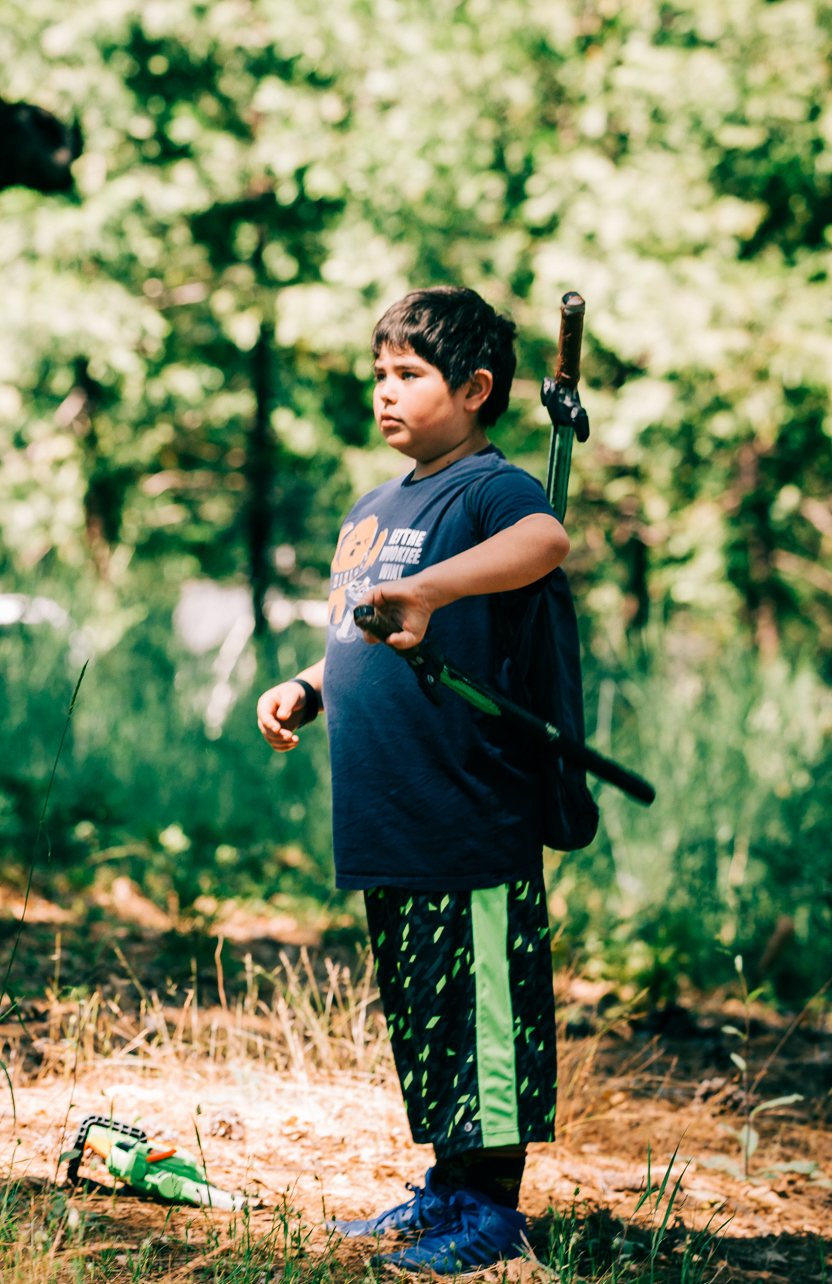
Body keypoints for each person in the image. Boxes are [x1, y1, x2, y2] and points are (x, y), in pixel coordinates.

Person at [255, 287, 569, 1272]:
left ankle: (491, 1210)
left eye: (408, 375)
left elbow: (545, 545)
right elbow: (360, 629)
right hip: (385, 811)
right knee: (424, 1008)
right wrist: (307, 686)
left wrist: (430, 586)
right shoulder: (371, 508)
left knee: (480, 1016)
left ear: (473, 390)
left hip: (465, 807)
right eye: (377, 373)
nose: (382, 392)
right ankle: (445, 1184)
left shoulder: (487, 490)